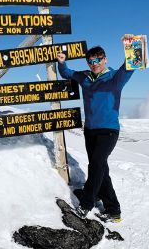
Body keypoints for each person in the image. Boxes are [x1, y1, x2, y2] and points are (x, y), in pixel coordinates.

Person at [56, 46, 134, 223]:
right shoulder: (85, 77)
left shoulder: (114, 78)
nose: (94, 64)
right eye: (91, 61)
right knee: (101, 169)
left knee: (96, 165)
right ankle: (114, 211)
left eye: (98, 60)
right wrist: (61, 62)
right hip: (90, 130)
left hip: (109, 131)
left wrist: (133, 46)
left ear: (105, 59)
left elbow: (129, 67)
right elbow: (67, 73)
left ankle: (86, 203)